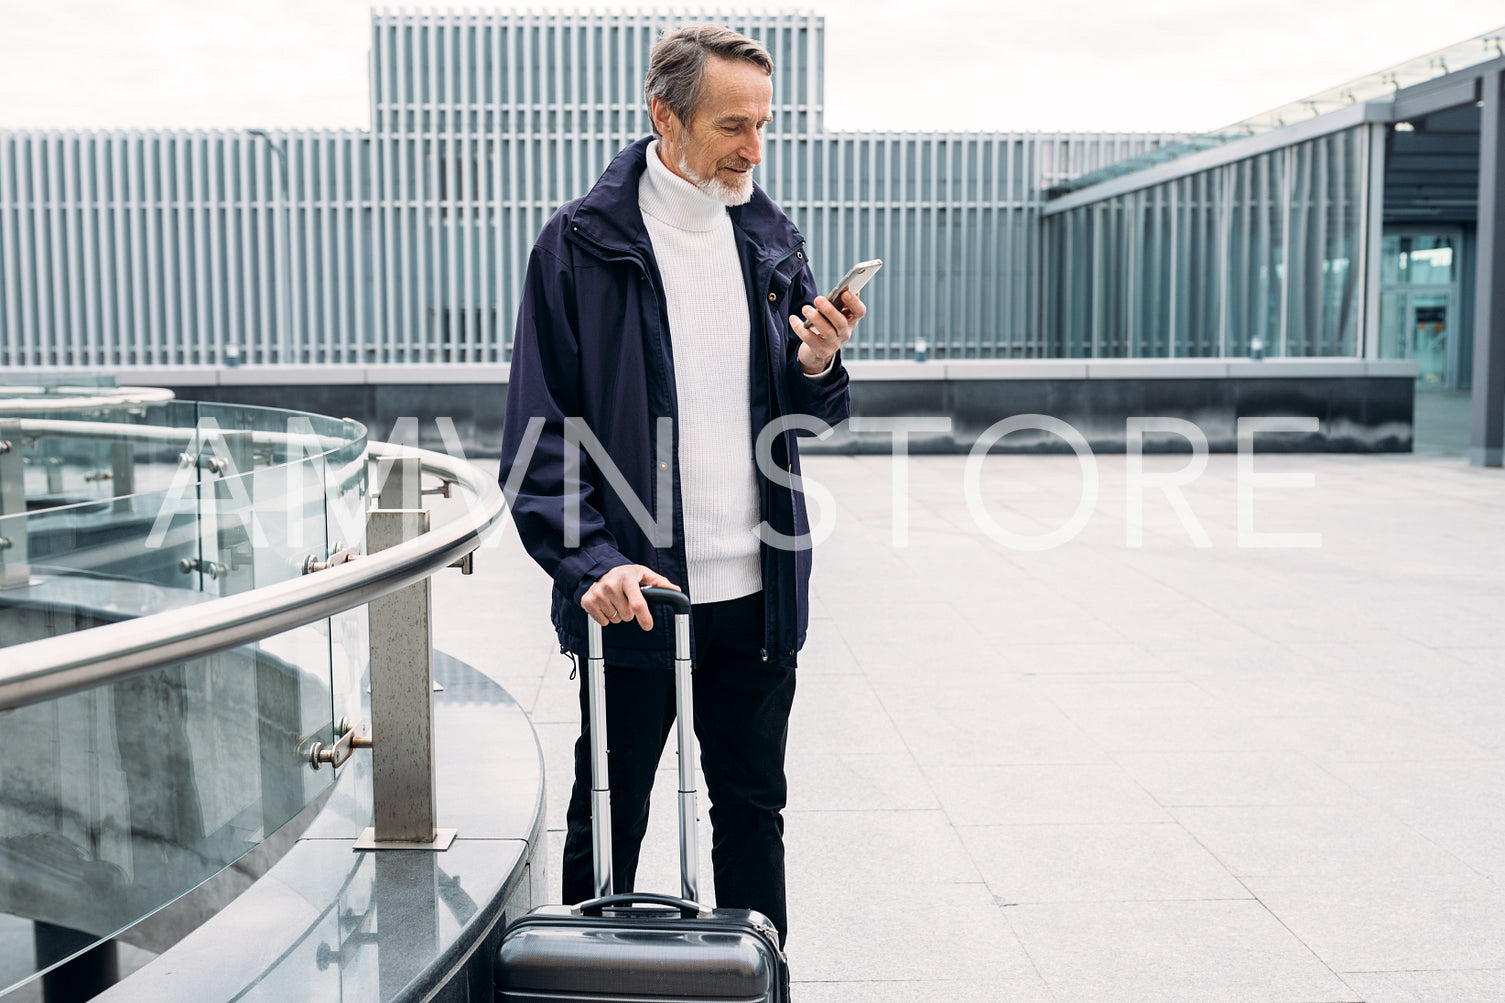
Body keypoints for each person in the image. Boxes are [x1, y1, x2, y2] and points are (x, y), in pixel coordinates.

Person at [497, 23, 867, 947]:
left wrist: (818, 364)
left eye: (762, 125)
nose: (753, 148)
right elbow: (539, 434)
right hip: (636, 595)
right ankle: (583, 979)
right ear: (664, 116)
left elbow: (805, 418)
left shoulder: (773, 245)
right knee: (609, 824)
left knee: (752, 819)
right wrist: (590, 564)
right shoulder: (578, 246)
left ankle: (759, 980)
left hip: (757, 594)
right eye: (731, 125)